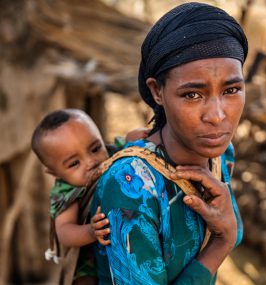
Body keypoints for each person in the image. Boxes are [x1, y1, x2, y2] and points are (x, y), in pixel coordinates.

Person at [90, 2, 247, 284]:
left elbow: (230, 223)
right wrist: (221, 244)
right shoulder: (132, 188)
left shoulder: (221, 155)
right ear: (157, 91)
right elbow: (227, 234)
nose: (217, 116)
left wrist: (228, 231)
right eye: (192, 95)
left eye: (231, 90)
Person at [31, 109, 149, 285]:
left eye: (95, 148)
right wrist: (90, 232)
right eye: (74, 163)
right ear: (55, 173)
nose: (91, 162)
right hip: (88, 258)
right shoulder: (67, 191)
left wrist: (137, 135)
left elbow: (127, 141)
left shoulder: (111, 154)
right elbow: (63, 231)